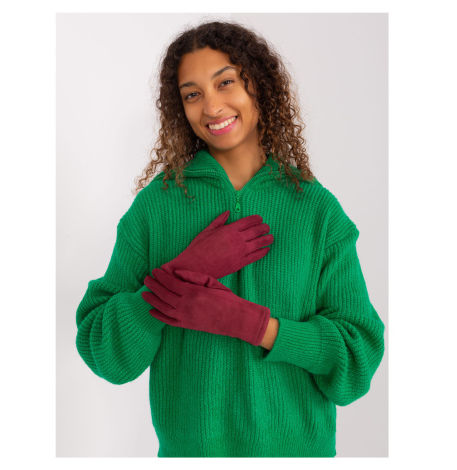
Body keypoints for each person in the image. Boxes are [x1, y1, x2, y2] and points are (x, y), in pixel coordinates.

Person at [75, 20, 385, 458]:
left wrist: (256, 326)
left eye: (225, 83)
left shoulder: (316, 210)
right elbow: (106, 354)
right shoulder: (156, 207)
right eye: (192, 94)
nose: (211, 106)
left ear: (258, 85)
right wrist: (183, 272)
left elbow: (356, 362)